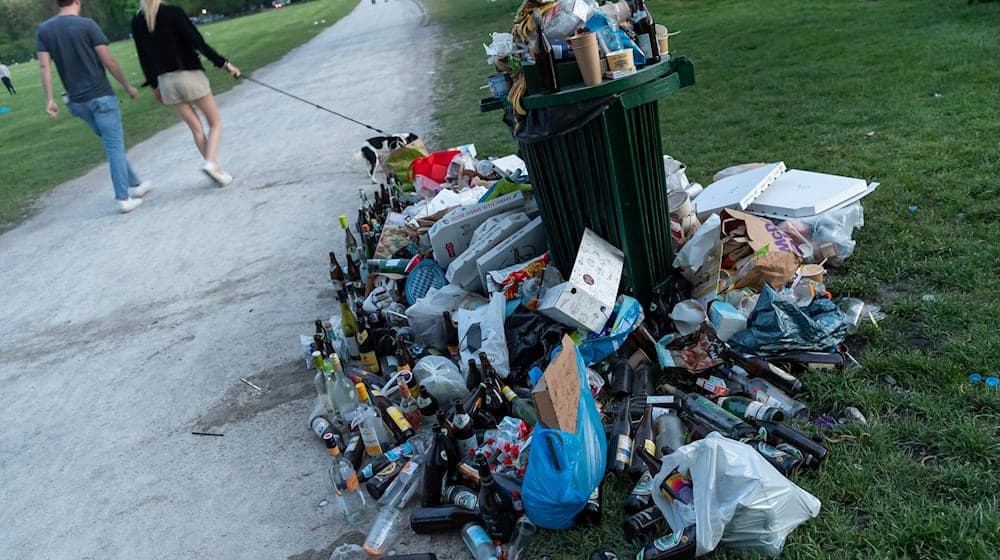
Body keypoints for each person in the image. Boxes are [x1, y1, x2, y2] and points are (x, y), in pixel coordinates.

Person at [36, 0, 151, 213]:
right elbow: (109, 61)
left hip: (77, 102)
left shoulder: (44, 30)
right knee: (114, 145)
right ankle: (123, 198)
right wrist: (127, 86)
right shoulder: (87, 25)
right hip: (101, 97)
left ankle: (136, 184)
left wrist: (49, 99)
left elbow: (45, 66)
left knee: (111, 143)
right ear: (77, 1)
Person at [132, 0, 241, 186]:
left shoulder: (137, 21)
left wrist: (154, 86)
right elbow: (197, 42)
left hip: (166, 82)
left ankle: (216, 170)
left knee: (196, 130)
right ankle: (211, 163)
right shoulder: (173, 12)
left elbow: (144, 58)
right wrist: (225, 64)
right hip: (189, 75)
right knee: (215, 122)